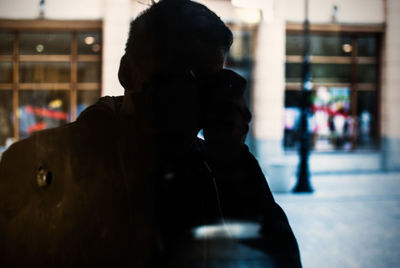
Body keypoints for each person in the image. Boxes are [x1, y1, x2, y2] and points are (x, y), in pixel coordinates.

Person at [0, 0, 301, 267]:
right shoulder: (41, 162)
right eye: (177, 77)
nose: (191, 98)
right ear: (127, 73)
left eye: (208, 84)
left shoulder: (216, 167)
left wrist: (233, 160)